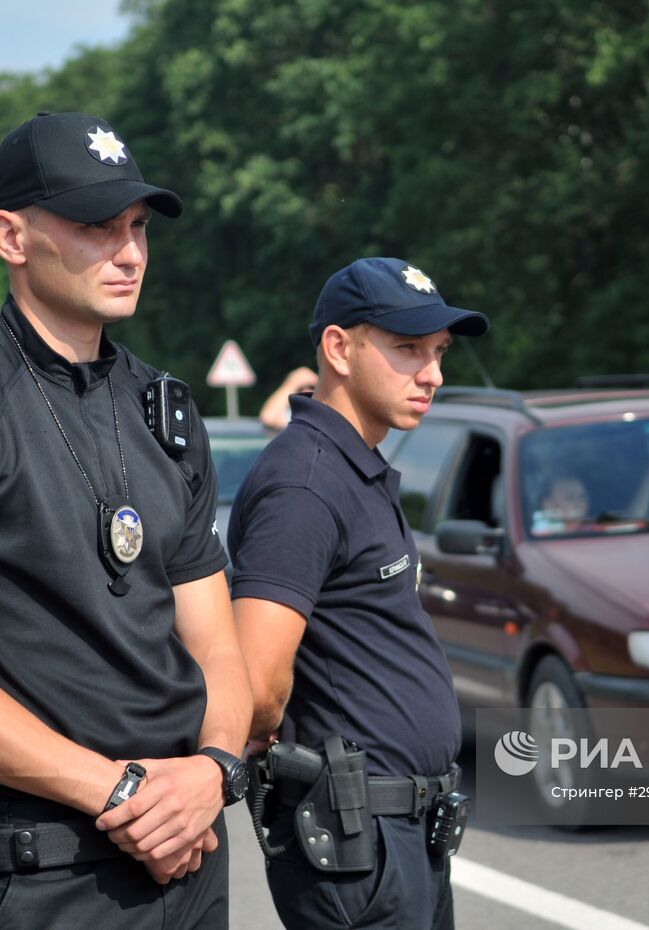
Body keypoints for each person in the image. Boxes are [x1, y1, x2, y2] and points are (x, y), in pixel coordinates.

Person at [0, 112, 251, 929]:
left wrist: (214, 771)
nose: (131, 251)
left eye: (139, 226)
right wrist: (123, 795)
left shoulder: (168, 409)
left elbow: (216, 644)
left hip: (188, 858)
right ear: (11, 235)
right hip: (42, 877)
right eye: (94, 225)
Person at [226, 257, 488, 930]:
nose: (431, 372)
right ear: (339, 348)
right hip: (356, 839)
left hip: (398, 831)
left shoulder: (352, 465)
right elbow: (257, 681)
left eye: (438, 352)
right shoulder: (306, 482)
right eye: (407, 349)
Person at [258, 365, 318, 430]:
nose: (306, 391)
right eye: (300, 388)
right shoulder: (290, 413)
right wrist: (292, 383)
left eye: (311, 387)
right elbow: (268, 418)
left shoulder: (320, 412)